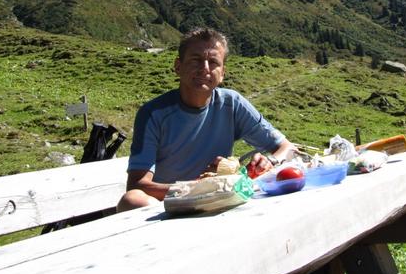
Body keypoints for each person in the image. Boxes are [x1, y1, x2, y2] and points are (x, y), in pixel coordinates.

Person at [117, 28, 294, 212]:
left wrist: (270, 161)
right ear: (178, 66)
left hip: (219, 201)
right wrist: (198, 189)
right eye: (196, 60)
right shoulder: (154, 113)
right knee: (132, 200)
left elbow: (286, 147)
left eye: (213, 62)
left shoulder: (232, 104)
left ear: (222, 73)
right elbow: (137, 185)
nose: (205, 69)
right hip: (168, 206)